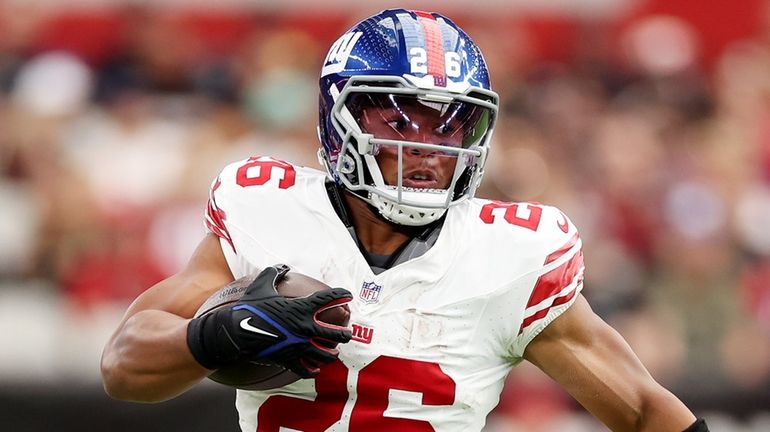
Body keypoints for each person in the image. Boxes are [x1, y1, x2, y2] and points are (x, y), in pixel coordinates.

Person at [101, 8, 709, 432]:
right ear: (342, 122)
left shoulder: (511, 259)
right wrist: (218, 334)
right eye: (400, 120)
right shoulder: (270, 212)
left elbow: (641, 412)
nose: (428, 146)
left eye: (450, 124)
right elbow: (124, 366)